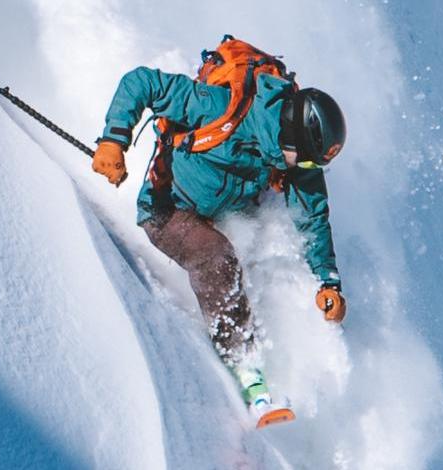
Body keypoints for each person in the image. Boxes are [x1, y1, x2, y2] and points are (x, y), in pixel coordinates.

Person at [89, 47, 347, 427]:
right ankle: (246, 369)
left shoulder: (294, 157)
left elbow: (313, 216)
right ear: (291, 138)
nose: (309, 171)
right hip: (168, 210)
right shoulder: (220, 107)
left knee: (252, 253)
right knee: (217, 257)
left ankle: (254, 342)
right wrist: (114, 139)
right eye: (307, 162)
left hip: (228, 213)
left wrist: (328, 280)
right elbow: (141, 82)